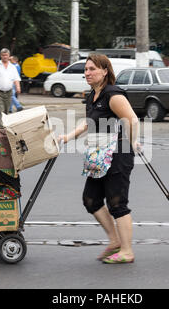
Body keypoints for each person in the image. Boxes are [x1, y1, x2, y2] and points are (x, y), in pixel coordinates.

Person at [58, 54, 140, 264]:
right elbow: (88, 123)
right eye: (86, 69)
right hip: (98, 155)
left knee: (117, 203)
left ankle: (127, 251)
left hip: (117, 155)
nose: (87, 73)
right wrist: (68, 136)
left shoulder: (113, 95)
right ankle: (114, 242)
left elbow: (132, 119)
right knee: (91, 199)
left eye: (92, 69)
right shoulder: (92, 95)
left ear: (105, 71)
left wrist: (132, 142)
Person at [0, 48, 21, 128]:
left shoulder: (12, 67)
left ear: (9, 56)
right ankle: (1, 126)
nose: (5, 57)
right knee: (0, 109)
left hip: (9, 92)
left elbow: (16, 78)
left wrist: (18, 87)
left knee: (6, 110)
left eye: (6, 55)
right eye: (3, 55)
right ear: (0, 56)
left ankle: (5, 125)